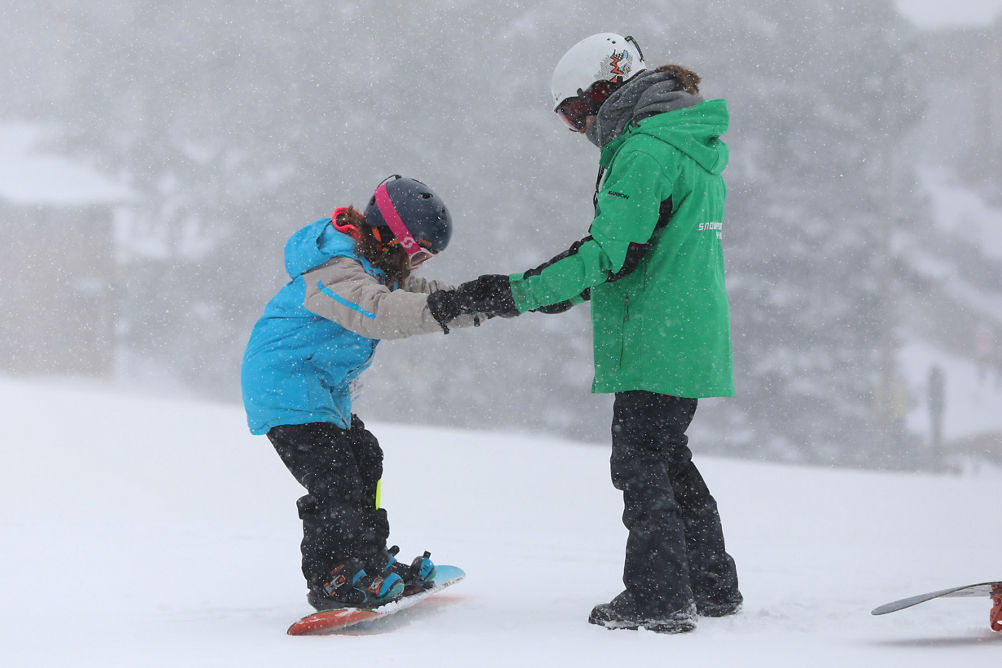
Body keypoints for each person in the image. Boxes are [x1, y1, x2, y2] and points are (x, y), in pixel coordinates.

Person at [427, 33, 742, 633]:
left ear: (606, 90)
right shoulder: (688, 145)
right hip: (689, 330)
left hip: (655, 334)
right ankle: (711, 584)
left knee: (641, 464)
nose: (578, 129)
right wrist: (546, 292)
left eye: (575, 112)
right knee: (668, 458)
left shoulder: (645, 152)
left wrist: (509, 293)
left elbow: (607, 256)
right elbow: (630, 252)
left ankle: (659, 598)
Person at [241, 175, 482, 611]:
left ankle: (369, 563)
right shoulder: (336, 269)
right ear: (391, 238)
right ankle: (332, 578)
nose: (418, 266)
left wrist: (487, 299)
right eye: (418, 253)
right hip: (283, 385)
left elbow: (426, 296)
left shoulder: (378, 268)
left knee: (364, 457)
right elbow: (381, 312)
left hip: (319, 389)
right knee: (334, 476)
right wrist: (451, 308)